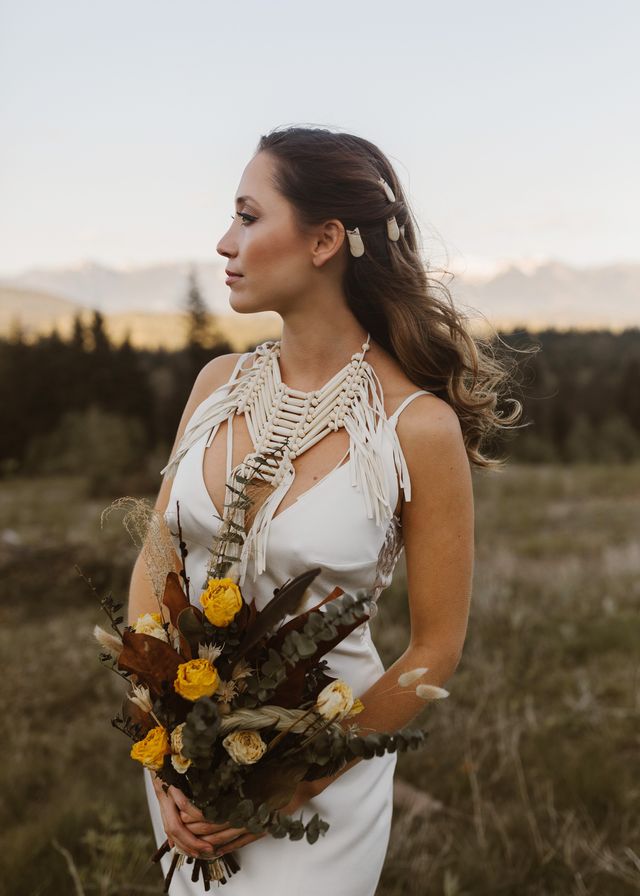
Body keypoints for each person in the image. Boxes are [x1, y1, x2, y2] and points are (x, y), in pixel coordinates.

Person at [127, 125, 522, 895]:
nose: (224, 242)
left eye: (248, 216)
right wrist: (158, 744)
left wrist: (297, 777)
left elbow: (435, 647)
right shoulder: (215, 386)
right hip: (186, 766)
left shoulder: (417, 427)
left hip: (321, 785)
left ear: (324, 241)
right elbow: (156, 560)